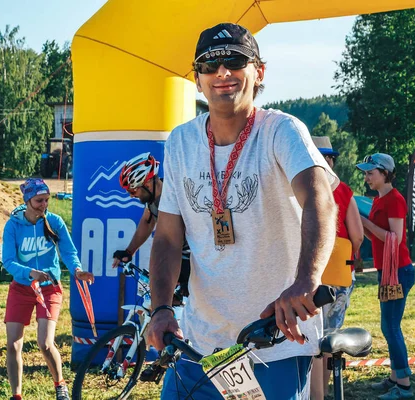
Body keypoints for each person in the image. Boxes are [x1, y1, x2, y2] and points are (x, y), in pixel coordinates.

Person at [145, 22, 339, 400]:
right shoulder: (182, 141)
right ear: (197, 78)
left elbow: (320, 199)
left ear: (259, 72)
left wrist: (305, 281)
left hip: (274, 340)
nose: (222, 73)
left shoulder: (282, 131)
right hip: (200, 345)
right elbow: (168, 237)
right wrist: (161, 309)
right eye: (209, 65)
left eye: (235, 60)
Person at [2, 178, 94, 400]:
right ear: (27, 201)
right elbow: (8, 260)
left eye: (46, 200)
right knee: (13, 345)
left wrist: (77, 270)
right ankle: (16, 395)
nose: (44, 205)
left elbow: (68, 251)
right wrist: (29, 272)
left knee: (44, 343)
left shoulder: (55, 221)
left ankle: (60, 384)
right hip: (22, 288)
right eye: (38, 200)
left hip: (49, 289)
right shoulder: (13, 225)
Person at [357, 154, 415, 400]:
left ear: (384, 173)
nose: (366, 177)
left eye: (371, 172)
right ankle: (395, 377)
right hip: (389, 271)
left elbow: (396, 238)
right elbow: (379, 238)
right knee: (388, 326)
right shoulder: (380, 199)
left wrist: (364, 223)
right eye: (366, 173)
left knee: (391, 327)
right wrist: (362, 226)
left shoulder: (395, 200)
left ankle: (403, 387)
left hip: (398, 271)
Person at [310, 137, 363, 400]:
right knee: (330, 337)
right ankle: (325, 389)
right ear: (330, 160)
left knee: (311, 338)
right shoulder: (343, 189)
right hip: (340, 272)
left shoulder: (303, 186)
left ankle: (314, 393)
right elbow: (358, 234)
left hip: (310, 274)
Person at [111, 152, 191, 297]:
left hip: (194, 261)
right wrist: (129, 251)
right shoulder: (153, 198)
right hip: (178, 260)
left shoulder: (174, 196)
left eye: (132, 190)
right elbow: (146, 223)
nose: (131, 195)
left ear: (147, 184)